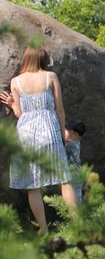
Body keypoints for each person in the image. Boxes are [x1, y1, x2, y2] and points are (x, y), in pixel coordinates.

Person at [0, 46, 78, 233]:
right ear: (43, 58)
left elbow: (20, 114)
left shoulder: (16, 82)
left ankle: (43, 228)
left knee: (32, 185)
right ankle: (77, 224)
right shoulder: (50, 77)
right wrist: (62, 133)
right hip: (49, 129)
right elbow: (59, 108)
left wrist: (12, 104)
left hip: (26, 133)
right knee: (64, 179)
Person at [65, 119, 86, 203]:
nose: (64, 132)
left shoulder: (72, 145)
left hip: (74, 175)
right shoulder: (74, 143)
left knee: (75, 195)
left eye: (67, 131)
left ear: (74, 134)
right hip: (75, 174)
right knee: (75, 194)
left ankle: (79, 212)